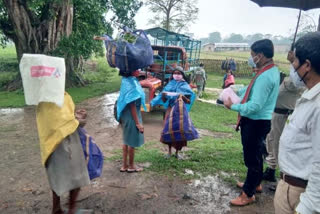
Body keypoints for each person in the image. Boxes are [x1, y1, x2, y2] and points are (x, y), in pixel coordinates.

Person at [224, 39, 280, 206]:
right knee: (256, 155)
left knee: (252, 158)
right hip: (261, 121)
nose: (251, 58)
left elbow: (255, 106)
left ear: (260, 56)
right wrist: (237, 90)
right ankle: (255, 184)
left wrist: (233, 105)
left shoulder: (265, 76)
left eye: (252, 55)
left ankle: (248, 194)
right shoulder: (270, 70)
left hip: (255, 122)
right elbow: (253, 89)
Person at [274, 32, 320, 214]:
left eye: (295, 61)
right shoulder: (309, 96)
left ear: (307, 65)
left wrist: (308, 207)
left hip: (300, 194)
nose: (293, 67)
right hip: (289, 187)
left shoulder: (317, 105)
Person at [36, 92, 91, 214]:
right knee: (76, 176)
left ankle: (57, 209)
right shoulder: (51, 99)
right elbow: (62, 122)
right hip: (63, 143)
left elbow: (65, 118)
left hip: (53, 144)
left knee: (57, 177)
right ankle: (71, 210)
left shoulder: (51, 97)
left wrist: (76, 116)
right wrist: (78, 120)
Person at [262, 56, 305, 183]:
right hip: (276, 113)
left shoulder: (297, 80)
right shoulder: (292, 77)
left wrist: (293, 62)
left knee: (278, 144)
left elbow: (295, 82)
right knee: (271, 140)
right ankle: (271, 169)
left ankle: (283, 175)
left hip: (283, 115)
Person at [151, 66, 196, 159]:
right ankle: (169, 152)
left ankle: (177, 153)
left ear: (182, 75)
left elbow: (188, 101)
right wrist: (163, 95)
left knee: (180, 130)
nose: (177, 75)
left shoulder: (185, 86)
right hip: (170, 110)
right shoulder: (169, 84)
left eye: (179, 73)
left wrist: (182, 96)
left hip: (180, 111)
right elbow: (163, 99)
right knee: (168, 130)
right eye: (175, 73)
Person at [116, 70, 146, 173]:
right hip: (132, 116)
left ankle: (124, 165)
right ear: (131, 71)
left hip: (125, 115)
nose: (139, 71)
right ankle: (131, 166)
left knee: (126, 140)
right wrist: (138, 123)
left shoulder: (126, 81)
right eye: (136, 69)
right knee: (131, 141)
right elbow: (132, 105)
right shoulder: (132, 84)